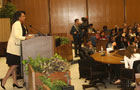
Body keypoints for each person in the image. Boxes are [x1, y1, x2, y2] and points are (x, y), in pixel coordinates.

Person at [0, 11, 33, 89]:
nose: (24, 17)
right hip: (13, 49)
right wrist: (26, 37)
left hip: (17, 48)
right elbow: (17, 35)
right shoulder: (16, 24)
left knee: (14, 66)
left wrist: (27, 36)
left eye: (24, 16)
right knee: (14, 65)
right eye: (23, 16)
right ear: (19, 17)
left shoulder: (22, 25)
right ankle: (4, 80)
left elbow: (22, 34)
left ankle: (15, 82)